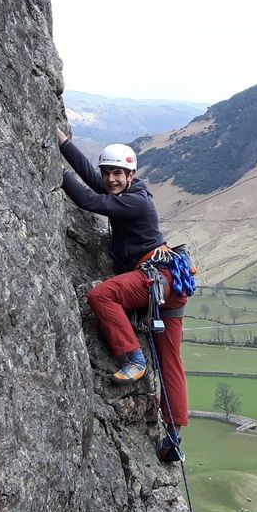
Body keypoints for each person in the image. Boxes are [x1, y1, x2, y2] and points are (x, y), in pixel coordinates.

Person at [57, 129, 190, 435]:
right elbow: (93, 180)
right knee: (170, 359)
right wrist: (62, 142)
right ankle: (173, 435)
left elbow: (90, 199)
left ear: (130, 174)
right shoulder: (127, 192)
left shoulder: (137, 202)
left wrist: (56, 171)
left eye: (117, 173)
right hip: (168, 284)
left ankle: (134, 357)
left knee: (102, 296)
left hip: (156, 278)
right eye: (108, 173)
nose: (110, 179)